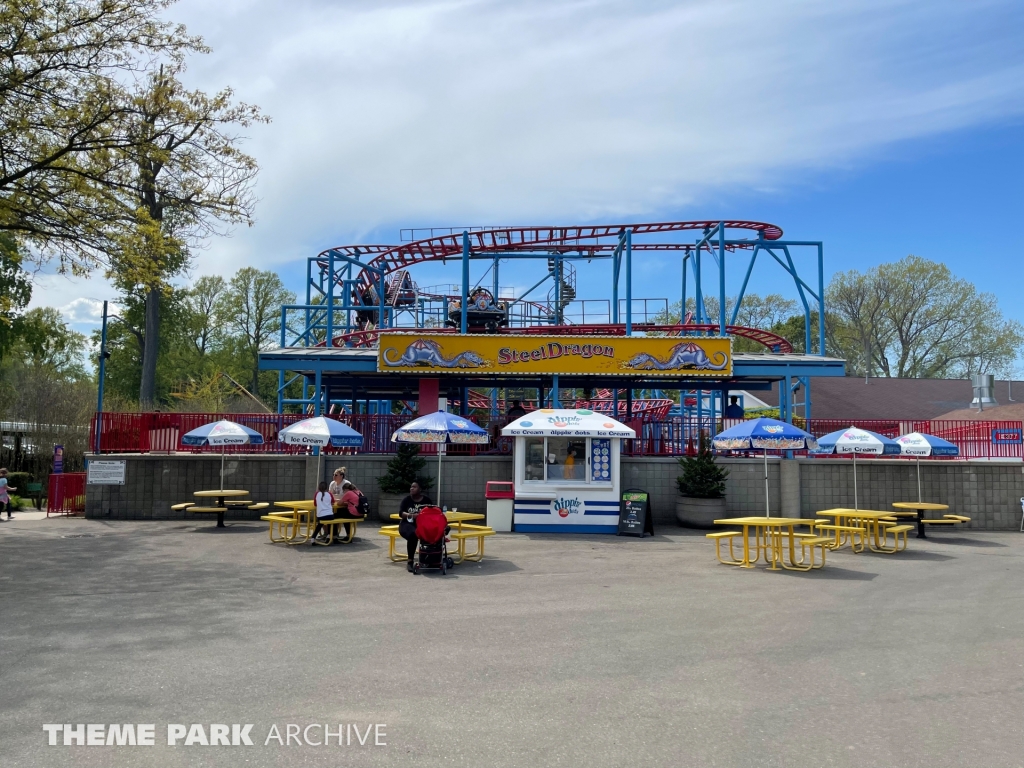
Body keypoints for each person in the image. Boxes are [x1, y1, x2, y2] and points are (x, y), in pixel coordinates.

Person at [399, 481, 434, 572]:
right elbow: (401, 513)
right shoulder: (407, 500)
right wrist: (411, 515)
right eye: (411, 487)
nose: (412, 488)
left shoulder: (426, 500)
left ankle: (430, 558)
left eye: (414, 487)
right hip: (407, 524)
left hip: (422, 524)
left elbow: (432, 512)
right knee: (413, 534)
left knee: (432, 532)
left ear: (420, 489)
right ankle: (410, 561)